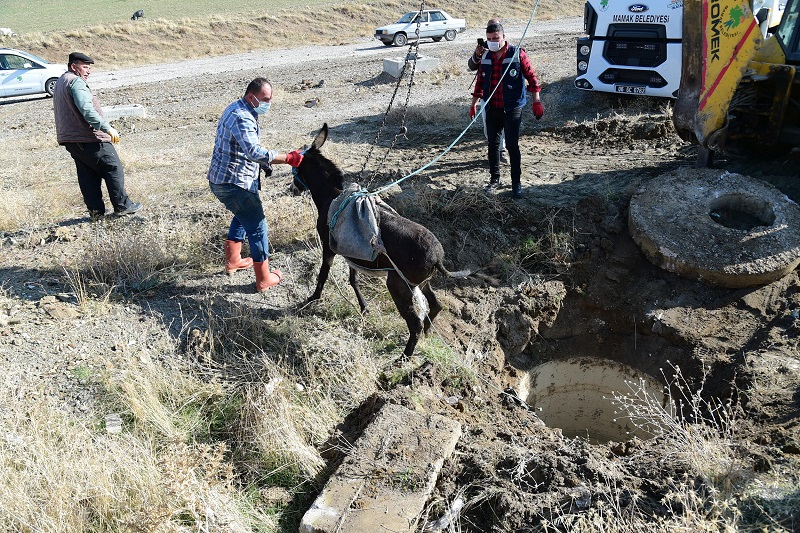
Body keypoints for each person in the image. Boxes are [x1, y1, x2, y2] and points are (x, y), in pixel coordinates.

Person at [207, 77, 304, 293]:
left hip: (222, 179)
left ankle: (233, 261)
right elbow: (253, 152)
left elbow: (244, 149)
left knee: (243, 214)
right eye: (265, 99)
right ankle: (263, 279)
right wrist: (288, 158)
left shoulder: (237, 107)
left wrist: (264, 165)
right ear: (252, 97)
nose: (269, 103)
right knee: (258, 227)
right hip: (234, 183)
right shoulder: (242, 117)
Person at [53, 52, 142, 219]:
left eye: (89, 67)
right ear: (73, 67)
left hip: (70, 139)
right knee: (112, 167)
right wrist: (107, 128)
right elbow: (87, 110)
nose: (88, 71)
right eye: (85, 67)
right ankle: (122, 205)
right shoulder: (76, 82)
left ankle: (96, 212)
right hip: (89, 137)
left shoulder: (61, 81)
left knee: (87, 174)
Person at [470, 22, 544, 199]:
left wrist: (536, 101)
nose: (492, 42)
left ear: (503, 37)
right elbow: (480, 82)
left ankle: (516, 183)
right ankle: (494, 180)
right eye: (489, 39)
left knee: (511, 145)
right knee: (493, 145)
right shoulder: (485, 55)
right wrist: (474, 104)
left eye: (495, 38)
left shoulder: (517, 54)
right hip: (492, 107)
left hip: (512, 107)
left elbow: (532, 78)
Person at [468, 18, 507, 163]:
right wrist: (477, 54)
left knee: (504, 125)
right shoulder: (483, 47)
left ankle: (501, 151)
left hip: (503, 94)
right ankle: (494, 150)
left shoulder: (507, 47)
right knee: (489, 125)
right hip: (486, 92)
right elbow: (472, 66)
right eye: (490, 28)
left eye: (495, 28)